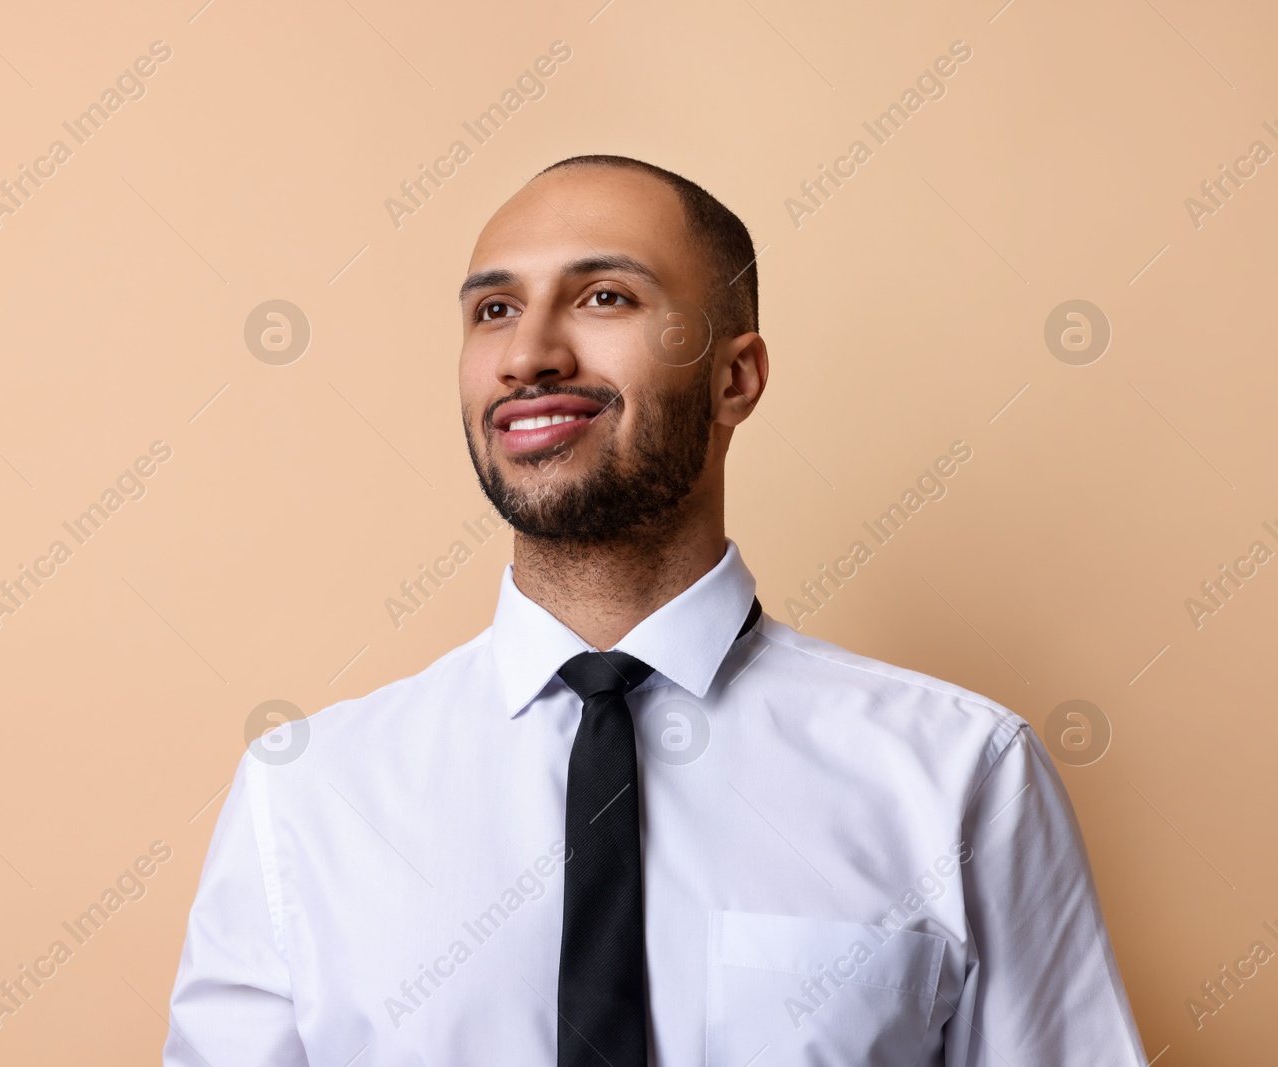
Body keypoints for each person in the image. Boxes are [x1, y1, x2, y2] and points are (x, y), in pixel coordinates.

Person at [163, 155, 1148, 1065]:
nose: (530, 355)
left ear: (735, 376)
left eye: (603, 296)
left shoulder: (959, 776)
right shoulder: (306, 798)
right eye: (494, 309)